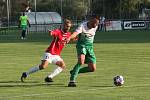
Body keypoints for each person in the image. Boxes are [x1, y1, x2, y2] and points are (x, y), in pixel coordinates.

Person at [66, 16, 100, 87]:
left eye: (97, 24)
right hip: (82, 45)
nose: (95, 25)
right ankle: (72, 81)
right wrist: (69, 38)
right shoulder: (82, 26)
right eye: (94, 23)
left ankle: (74, 72)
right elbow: (75, 33)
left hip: (90, 47)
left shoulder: (95, 27)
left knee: (92, 68)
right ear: (90, 20)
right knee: (81, 61)